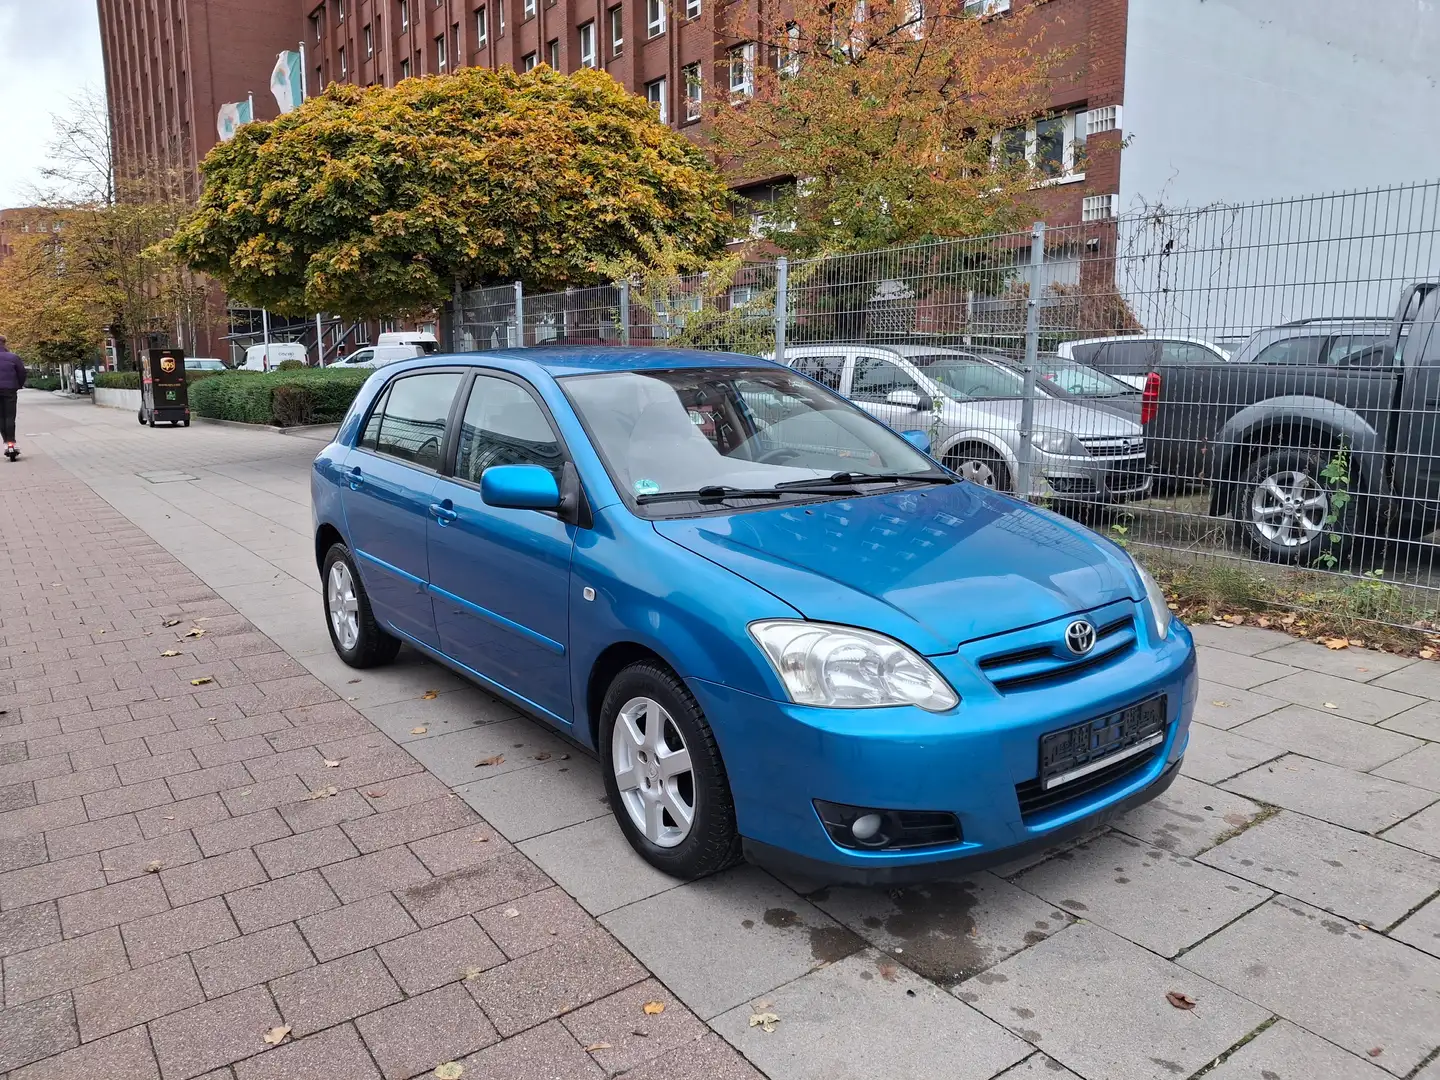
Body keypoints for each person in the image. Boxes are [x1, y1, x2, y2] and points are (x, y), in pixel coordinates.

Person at [0, 335, 27, 455]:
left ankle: (6, 443)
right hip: (10, 390)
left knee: (0, 417)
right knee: (10, 416)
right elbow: (22, 372)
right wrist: (19, 385)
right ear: (4, 343)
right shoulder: (13, 357)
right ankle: (11, 442)